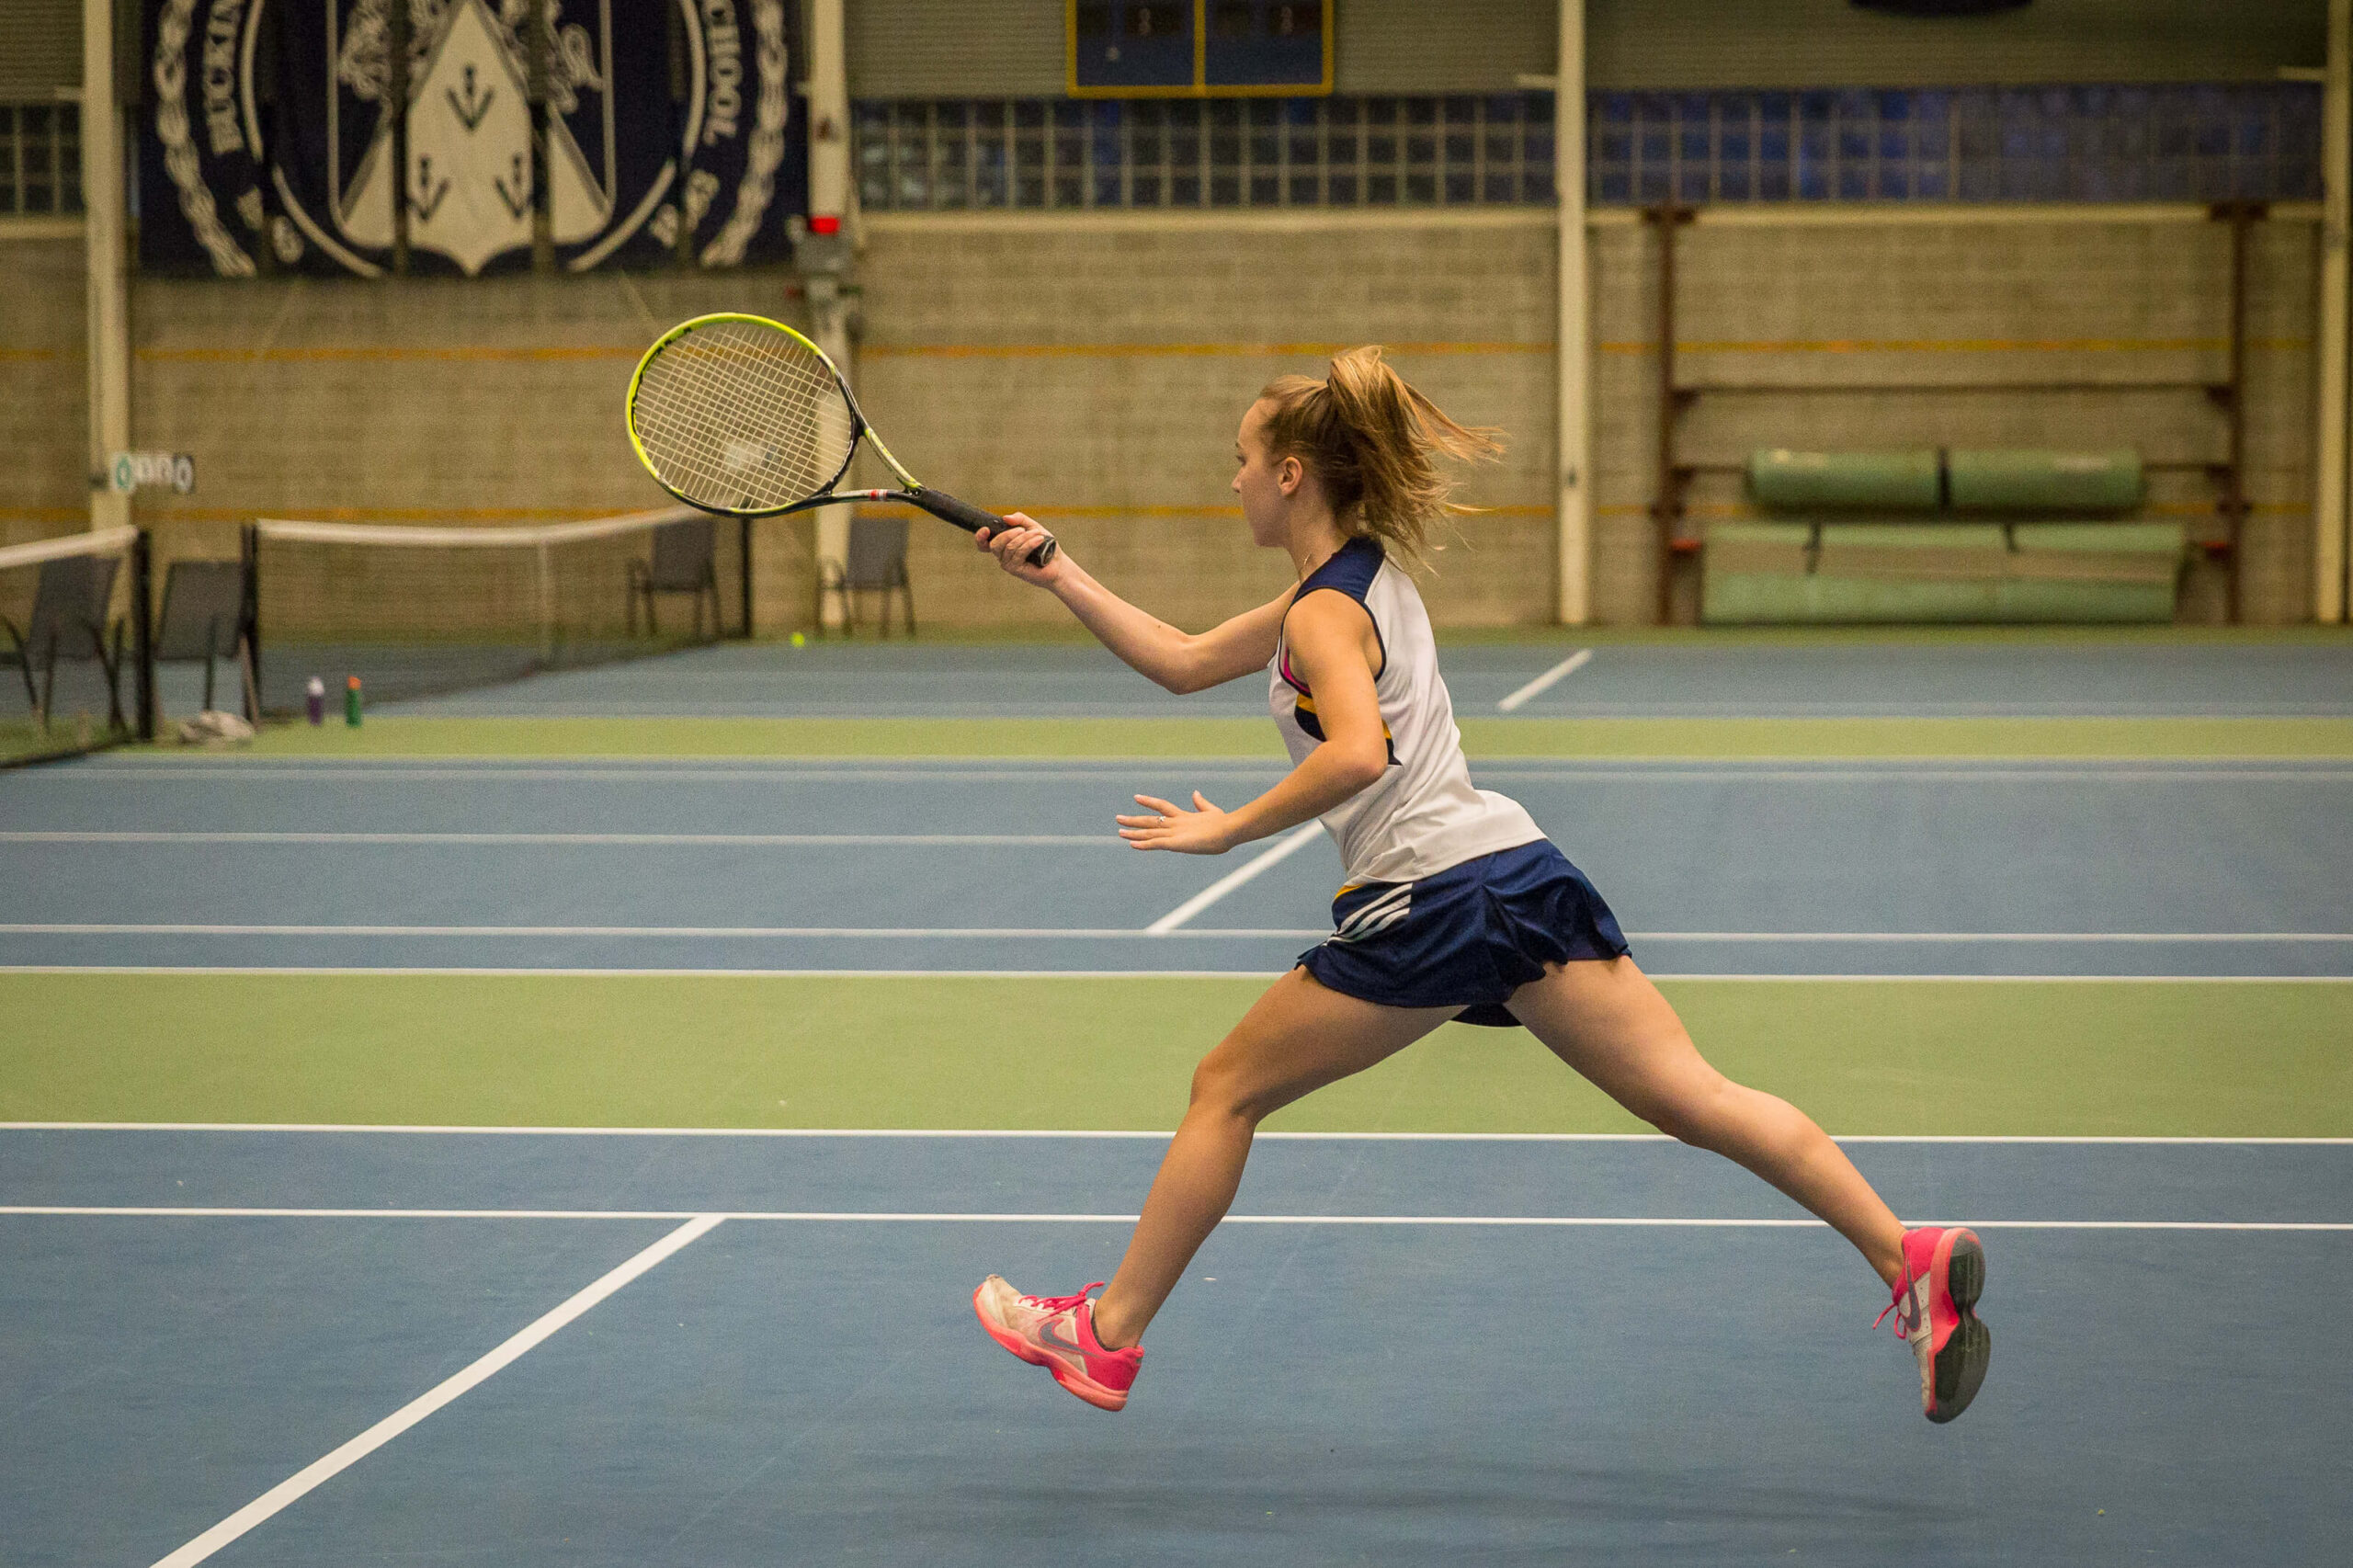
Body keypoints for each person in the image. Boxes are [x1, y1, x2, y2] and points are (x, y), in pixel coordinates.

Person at [966, 347, 1990, 1424]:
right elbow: (1179, 659)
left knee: (1225, 1087)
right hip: (1521, 871)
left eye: (1241, 459)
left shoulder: (1320, 614)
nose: (1229, 479)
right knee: (1699, 1098)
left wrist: (1231, 829)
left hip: (1433, 894)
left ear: (1290, 474)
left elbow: (1358, 754)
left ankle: (1107, 1334)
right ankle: (1903, 1251)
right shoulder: (1354, 583)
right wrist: (1059, 573)